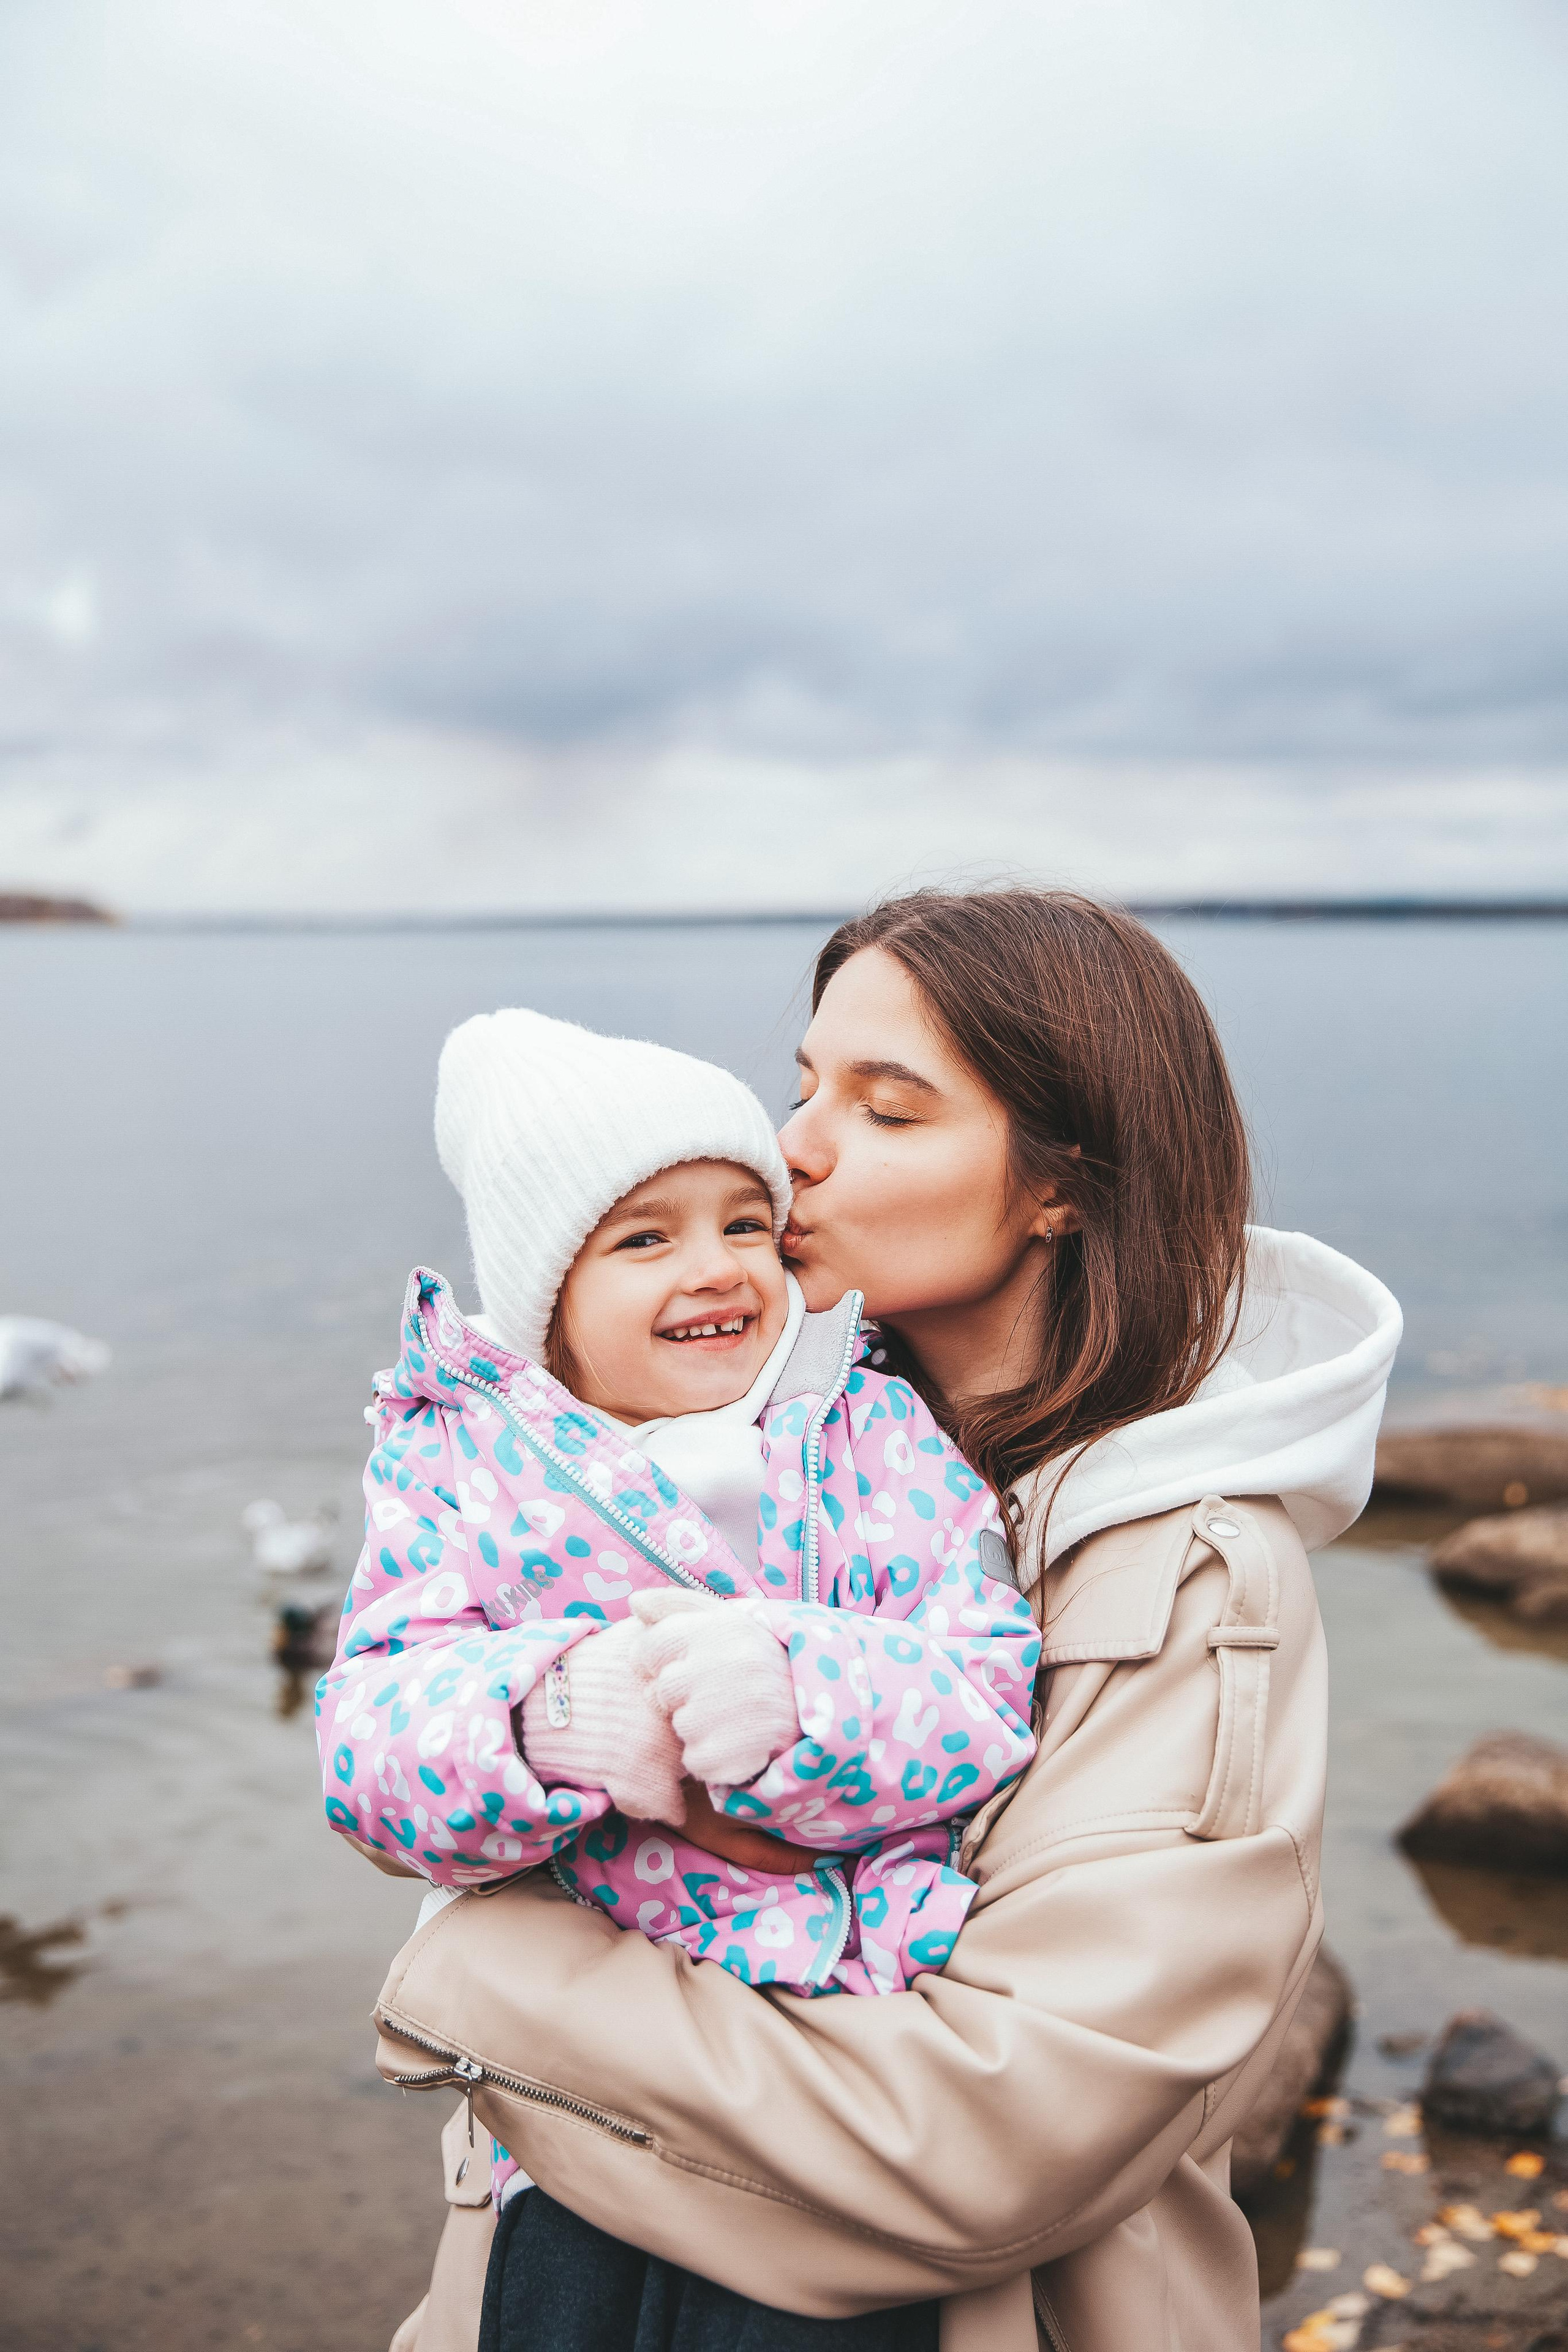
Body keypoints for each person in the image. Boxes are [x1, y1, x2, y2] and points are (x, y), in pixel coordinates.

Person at [365, 889, 1401, 2352]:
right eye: (800, 1085)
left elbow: (996, 2139)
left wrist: (478, 1974)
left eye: (886, 1108)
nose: (790, 1145)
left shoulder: (1184, 1575)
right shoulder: (742, 1457)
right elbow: (413, 1705)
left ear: (1062, 1184)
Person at [320, 1010, 1038, 2271]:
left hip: (863, 2038)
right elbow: (366, 1752)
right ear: (548, 1299)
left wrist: (801, 1695)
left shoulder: (870, 1429)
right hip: (597, 2097)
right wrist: (549, 1714)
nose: (713, 1267)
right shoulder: (459, 1469)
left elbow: (985, 1696)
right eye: (644, 1238)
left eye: (743, 1223)